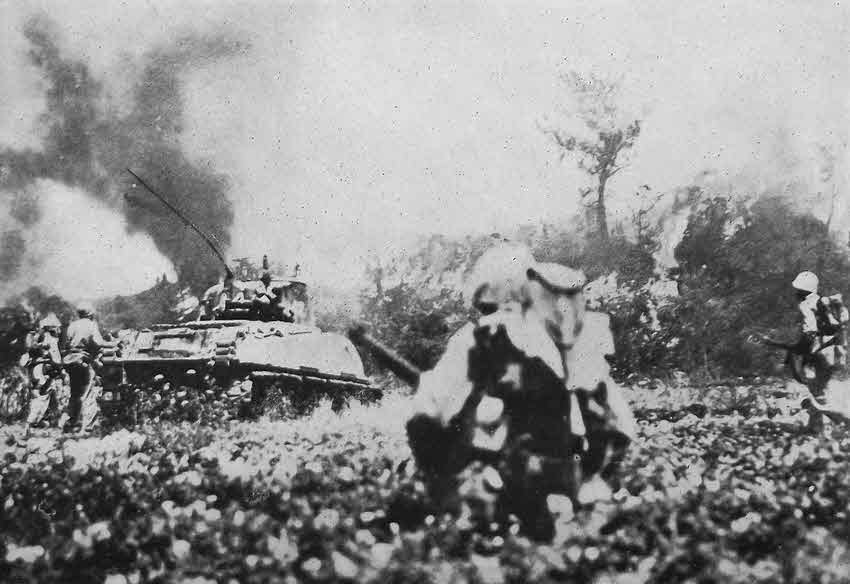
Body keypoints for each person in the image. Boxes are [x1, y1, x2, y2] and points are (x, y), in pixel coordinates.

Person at [406, 243, 636, 538]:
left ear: (482, 292)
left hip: (493, 494)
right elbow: (622, 426)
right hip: (570, 486)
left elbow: (425, 413)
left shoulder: (474, 338)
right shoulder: (572, 338)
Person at [63, 301, 114, 432]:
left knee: (74, 394)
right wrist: (113, 344)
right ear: (90, 314)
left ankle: (72, 422)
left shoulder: (72, 326)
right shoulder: (91, 325)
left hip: (71, 361)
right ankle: (88, 426)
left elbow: (68, 344)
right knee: (89, 393)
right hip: (84, 361)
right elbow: (98, 342)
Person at [24, 313, 65, 428]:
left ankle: (54, 421)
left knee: (49, 396)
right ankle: (31, 423)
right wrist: (62, 370)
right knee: (43, 396)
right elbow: (56, 360)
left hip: (36, 369)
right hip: (45, 371)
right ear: (52, 328)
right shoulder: (51, 340)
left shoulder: (39, 338)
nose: (59, 330)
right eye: (58, 328)